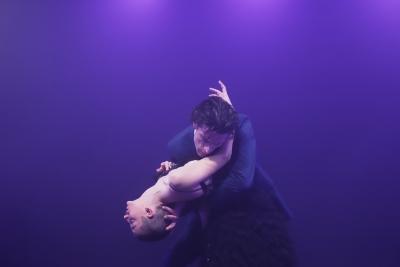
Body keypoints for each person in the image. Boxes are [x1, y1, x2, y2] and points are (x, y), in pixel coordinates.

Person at [164, 81, 295, 266]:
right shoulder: (177, 147)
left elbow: (241, 181)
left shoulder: (241, 125)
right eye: (204, 139)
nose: (207, 149)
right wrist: (180, 209)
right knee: (178, 256)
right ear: (195, 124)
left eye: (216, 144)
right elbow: (183, 184)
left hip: (248, 198)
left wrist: (231, 129)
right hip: (209, 199)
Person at [123, 135, 234, 241]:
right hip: (228, 148)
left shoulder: (169, 192)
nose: (125, 217)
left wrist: (172, 167)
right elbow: (224, 157)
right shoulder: (178, 181)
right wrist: (231, 131)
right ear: (148, 212)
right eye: (132, 221)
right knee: (175, 146)